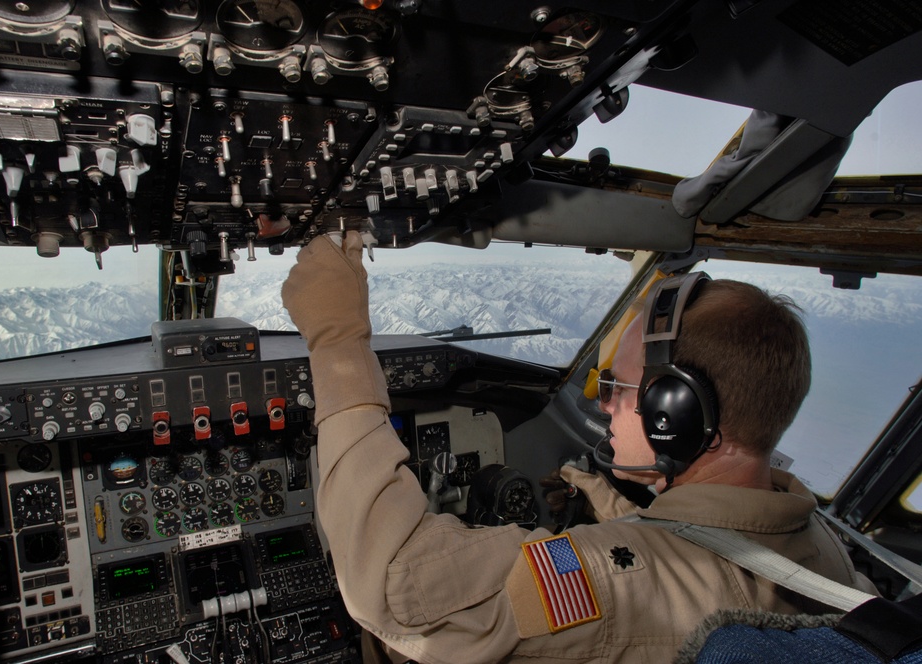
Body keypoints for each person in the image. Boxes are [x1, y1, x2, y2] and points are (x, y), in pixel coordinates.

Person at [280, 232, 876, 664]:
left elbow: (392, 588)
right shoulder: (830, 552)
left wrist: (338, 339)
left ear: (679, 412)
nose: (602, 404)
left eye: (617, 386)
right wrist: (604, 497)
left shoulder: (606, 579)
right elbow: (690, 554)